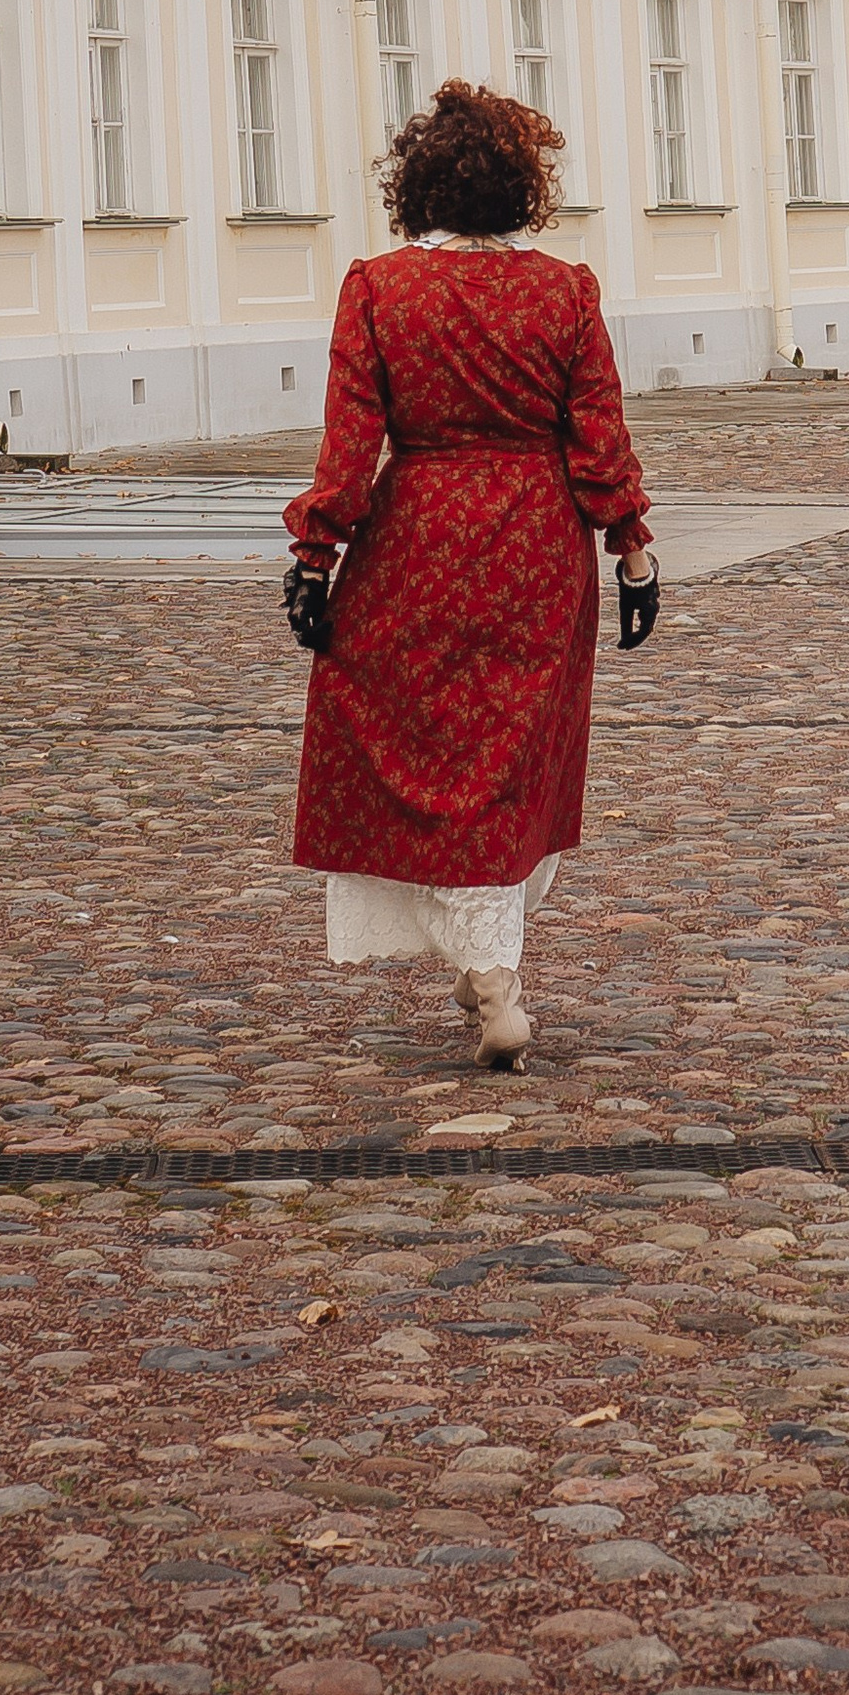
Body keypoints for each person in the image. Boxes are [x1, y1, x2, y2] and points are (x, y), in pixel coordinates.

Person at [282, 77, 656, 1069]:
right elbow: (598, 435)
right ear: (523, 187)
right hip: (536, 543)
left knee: (425, 749)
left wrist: (315, 558)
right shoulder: (565, 291)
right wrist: (631, 546)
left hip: (415, 538)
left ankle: (489, 975)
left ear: (416, 188)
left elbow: (349, 443)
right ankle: (487, 966)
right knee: (511, 756)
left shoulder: (380, 287)